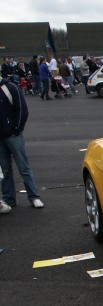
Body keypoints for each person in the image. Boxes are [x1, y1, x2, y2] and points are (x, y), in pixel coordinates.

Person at [0, 77, 44, 208]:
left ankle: (33, 197)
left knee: (23, 168)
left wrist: (17, 129)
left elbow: (22, 109)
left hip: (13, 135)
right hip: (3, 136)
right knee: (5, 169)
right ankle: (9, 198)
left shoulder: (11, 87)